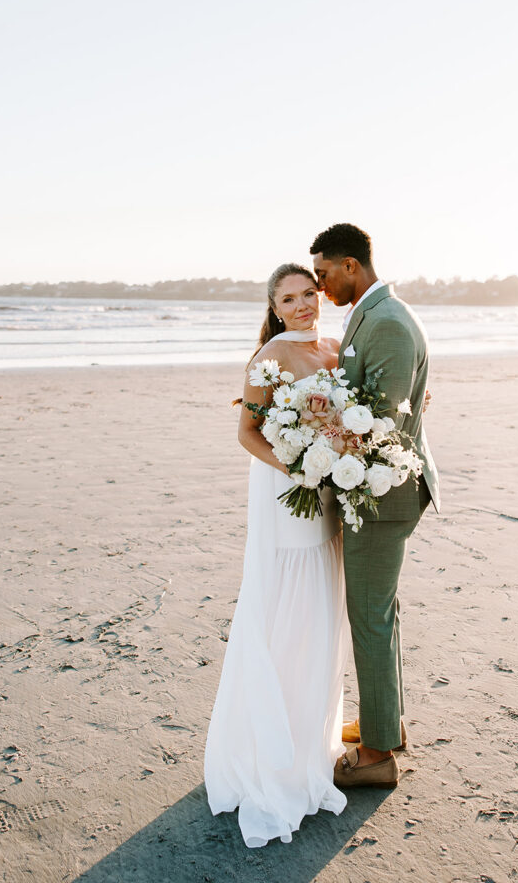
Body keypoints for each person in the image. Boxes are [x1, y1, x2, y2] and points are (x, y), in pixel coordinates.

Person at [204, 263, 350, 848]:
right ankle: (275, 759)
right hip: (288, 494)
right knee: (289, 612)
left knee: (321, 612)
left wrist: (346, 454)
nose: (302, 305)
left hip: (332, 488)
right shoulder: (268, 357)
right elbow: (248, 433)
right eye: (289, 299)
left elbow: (345, 421)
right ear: (275, 306)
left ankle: (312, 746)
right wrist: (303, 469)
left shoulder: (337, 349)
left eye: (308, 294)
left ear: (320, 296)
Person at [310, 223, 440, 789]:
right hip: (384, 490)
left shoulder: (385, 321)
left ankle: (379, 755)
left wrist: (309, 427)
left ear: (350, 266)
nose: (318, 286)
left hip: (384, 495)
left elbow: (379, 424)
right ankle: (389, 723)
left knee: (368, 614)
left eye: (322, 274)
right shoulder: (377, 313)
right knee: (377, 613)